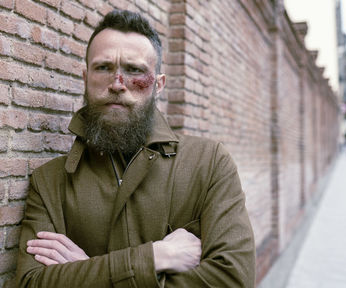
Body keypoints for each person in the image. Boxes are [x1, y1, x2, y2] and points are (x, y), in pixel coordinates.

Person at [14, 9, 255, 287]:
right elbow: (31, 283)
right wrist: (154, 258)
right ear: (86, 77)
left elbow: (233, 280)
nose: (117, 84)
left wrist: (87, 271)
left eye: (134, 70)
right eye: (104, 68)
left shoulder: (209, 163)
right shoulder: (49, 182)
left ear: (159, 84)